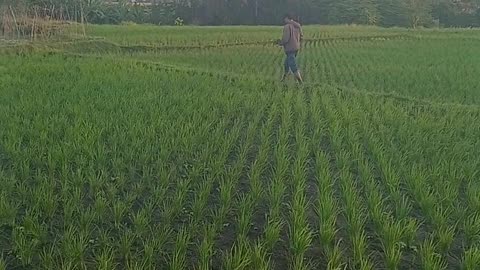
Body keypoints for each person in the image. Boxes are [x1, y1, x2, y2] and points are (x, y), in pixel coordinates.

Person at [278, 14, 303, 83]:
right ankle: (284, 79)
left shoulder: (287, 27)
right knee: (286, 64)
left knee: (293, 65)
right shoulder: (297, 26)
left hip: (290, 48)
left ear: (287, 18)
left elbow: (286, 39)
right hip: (296, 48)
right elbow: (301, 36)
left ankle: (300, 82)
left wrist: (280, 43)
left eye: (284, 19)